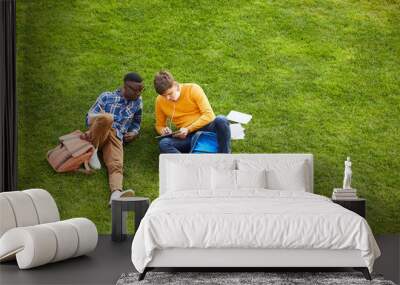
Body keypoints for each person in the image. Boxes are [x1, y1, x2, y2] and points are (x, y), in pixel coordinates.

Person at [83, 72, 144, 205]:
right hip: (100, 131)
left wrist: (134, 132)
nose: (139, 93)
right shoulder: (106, 97)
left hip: (117, 136)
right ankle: (94, 148)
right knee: (108, 118)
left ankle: (115, 194)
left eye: (141, 89)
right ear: (125, 87)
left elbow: (136, 123)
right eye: (136, 90)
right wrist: (103, 117)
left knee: (117, 165)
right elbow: (88, 118)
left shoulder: (138, 102)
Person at [154, 70, 231, 153]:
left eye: (170, 94)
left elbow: (209, 115)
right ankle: (186, 164)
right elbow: (159, 125)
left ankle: (224, 155)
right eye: (164, 96)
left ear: (175, 85)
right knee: (164, 143)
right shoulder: (159, 101)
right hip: (188, 137)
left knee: (221, 120)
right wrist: (163, 131)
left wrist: (188, 129)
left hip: (207, 128)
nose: (168, 98)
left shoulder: (192, 89)